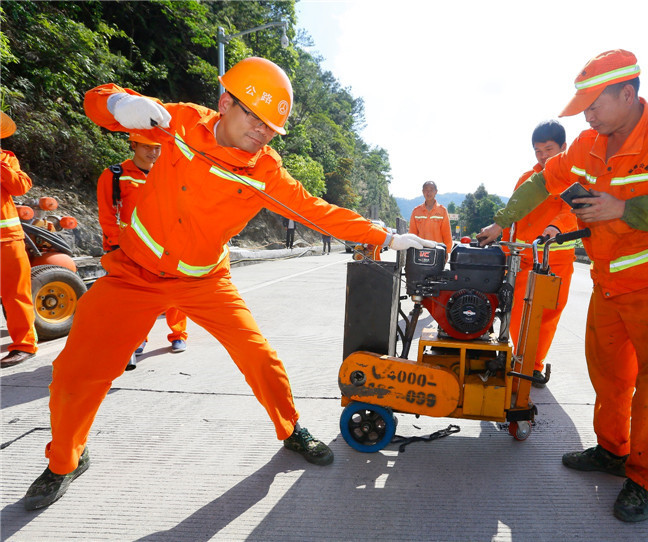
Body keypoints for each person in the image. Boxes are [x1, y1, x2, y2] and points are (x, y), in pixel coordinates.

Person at [23, 56, 435, 511]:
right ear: (224, 103)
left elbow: (318, 211)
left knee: (261, 359)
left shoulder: (264, 173)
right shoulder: (177, 123)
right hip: (133, 277)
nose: (260, 131)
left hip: (205, 283)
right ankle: (65, 460)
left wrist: (388, 236)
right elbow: (95, 102)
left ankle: (289, 428)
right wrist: (119, 103)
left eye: (270, 127)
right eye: (253, 117)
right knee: (74, 375)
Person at [478, 50, 648, 522]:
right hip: (608, 282)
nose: (588, 116)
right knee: (610, 377)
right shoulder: (588, 145)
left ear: (627, 94)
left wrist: (622, 208)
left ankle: (644, 479)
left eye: (594, 105)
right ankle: (613, 451)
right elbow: (542, 184)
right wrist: (500, 223)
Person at [96, 133, 189, 369]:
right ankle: (137, 340)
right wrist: (116, 245)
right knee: (137, 299)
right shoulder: (115, 175)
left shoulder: (169, 174)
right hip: (130, 249)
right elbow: (107, 214)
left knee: (174, 292)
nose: (154, 153)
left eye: (158, 148)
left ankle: (178, 334)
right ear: (133, 144)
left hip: (166, 246)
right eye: (147, 147)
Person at [500, 120, 576, 387]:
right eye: (538, 150)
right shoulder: (527, 179)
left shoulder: (574, 178)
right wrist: (504, 250)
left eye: (548, 148)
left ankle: (533, 365)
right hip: (523, 258)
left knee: (548, 314)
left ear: (563, 147)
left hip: (557, 258)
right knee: (518, 311)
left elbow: (574, 211)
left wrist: (557, 226)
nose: (543, 156)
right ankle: (521, 359)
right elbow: (513, 218)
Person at [1, 111, 37, 368]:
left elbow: (21, 187)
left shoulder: (7, 159)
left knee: (16, 293)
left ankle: (24, 345)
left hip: (7, 239)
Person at [408, 181, 453, 254]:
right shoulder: (416, 211)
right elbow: (412, 234)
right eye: (426, 190)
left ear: (436, 192)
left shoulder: (442, 211)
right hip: (420, 251)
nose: (428, 193)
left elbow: (447, 233)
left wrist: (447, 252)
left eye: (431, 190)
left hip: (438, 251)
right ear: (422, 192)